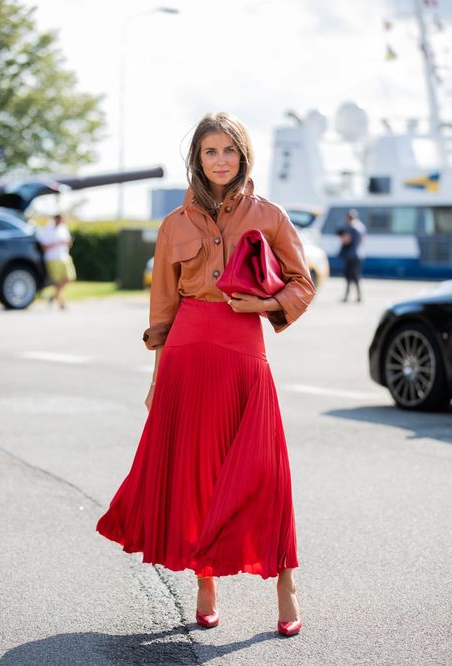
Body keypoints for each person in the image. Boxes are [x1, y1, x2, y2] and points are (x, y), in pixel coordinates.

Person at [96, 113, 316, 636]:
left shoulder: (270, 214)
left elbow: (302, 284)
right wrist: (155, 379)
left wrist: (263, 305)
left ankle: (286, 583)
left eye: (229, 151)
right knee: (196, 476)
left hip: (243, 352)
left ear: (243, 156)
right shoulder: (174, 223)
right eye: (209, 152)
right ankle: (206, 581)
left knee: (265, 474)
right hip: (186, 357)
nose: (220, 161)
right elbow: (162, 310)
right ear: (196, 158)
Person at [37, 213, 76, 309]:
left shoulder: (63, 228)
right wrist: (57, 243)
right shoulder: (47, 229)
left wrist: (67, 242)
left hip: (64, 256)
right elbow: (43, 246)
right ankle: (60, 302)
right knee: (57, 281)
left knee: (70, 277)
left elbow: (67, 243)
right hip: (52, 258)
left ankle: (53, 297)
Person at [338, 209, 366, 303]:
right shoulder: (361, 226)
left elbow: (346, 240)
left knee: (349, 276)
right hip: (359, 254)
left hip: (351, 255)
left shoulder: (351, 227)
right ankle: (358, 296)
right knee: (355, 276)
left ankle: (347, 296)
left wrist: (341, 236)